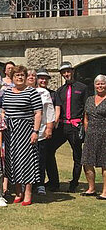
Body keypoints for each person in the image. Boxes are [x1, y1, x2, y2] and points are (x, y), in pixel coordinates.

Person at [1, 65, 43, 206]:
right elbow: (3, 110)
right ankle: (18, 191)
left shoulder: (32, 92)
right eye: (16, 75)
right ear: (12, 78)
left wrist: (35, 131)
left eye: (22, 75)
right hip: (10, 132)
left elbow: (38, 113)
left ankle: (28, 192)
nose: (19, 77)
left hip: (26, 130)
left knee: (27, 161)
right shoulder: (7, 92)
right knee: (13, 161)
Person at [46, 61, 87, 193]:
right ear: (62, 74)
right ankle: (54, 181)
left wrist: (85, 126)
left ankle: (74, 183)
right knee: (49, 150)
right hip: (63, 126)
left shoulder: (82, 87)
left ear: (72, 71)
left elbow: (86, 108)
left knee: (77, 156)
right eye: (64, 72)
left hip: (75, 126)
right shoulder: (60, 91)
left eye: (68, 71)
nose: (66, 74)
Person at [26, 69, 55, 195]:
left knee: (40, 158)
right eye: (29, 75)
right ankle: (25, 184)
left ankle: (40, 184)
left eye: (34, 75)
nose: (32, 77)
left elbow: (49, 111)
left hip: (41, 130)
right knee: (25, 159)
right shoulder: (20, 91)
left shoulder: (43, 92)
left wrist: (49, 127)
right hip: (24, 131)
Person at [80, 75, 106, 198]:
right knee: (87, 162)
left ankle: (105, 192)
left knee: (105, 163)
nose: (100, 86)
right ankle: (91, 188)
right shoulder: (89, 99)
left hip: (104, 135)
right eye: (98, 84)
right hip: (90, 134)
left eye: (102, 83)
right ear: (94, 86)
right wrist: (87, 130)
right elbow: (86, 117)